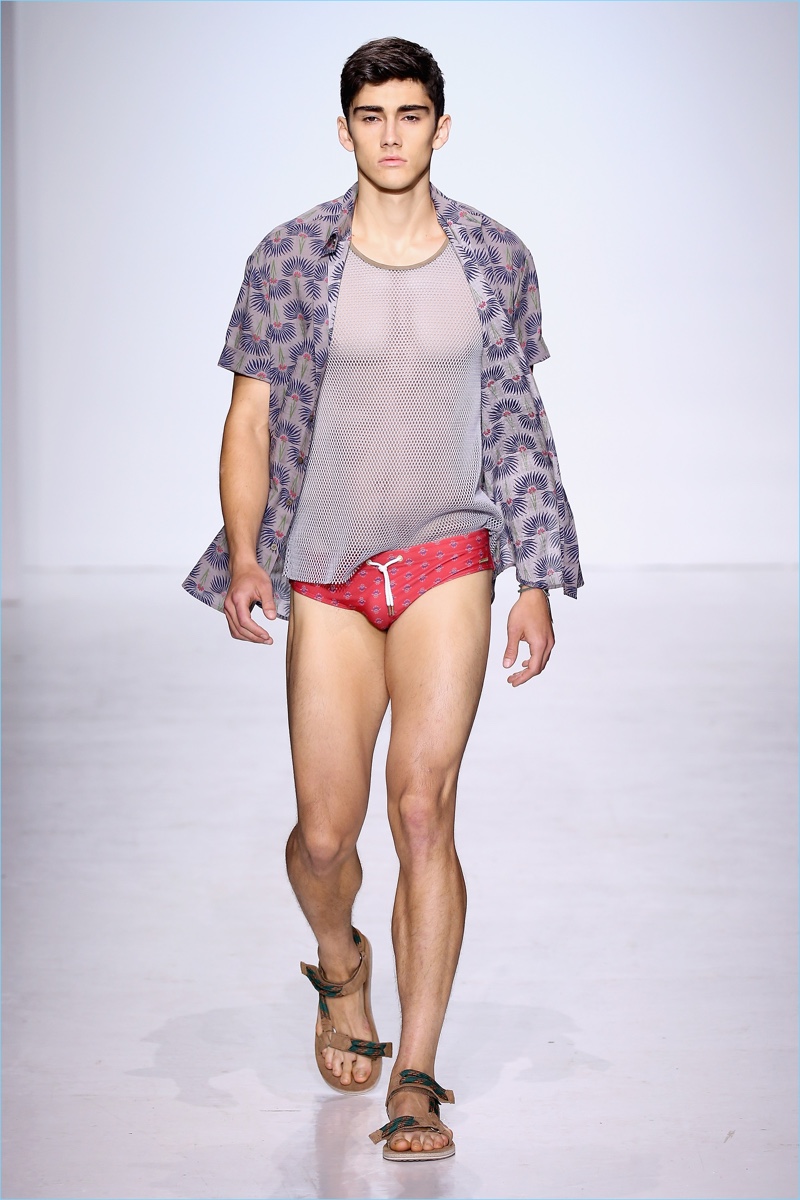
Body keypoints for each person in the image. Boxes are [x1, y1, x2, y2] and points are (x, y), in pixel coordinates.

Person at [183, 35, 582, 1162]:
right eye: (372, 115)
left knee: (421, 809)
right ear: (345, 128)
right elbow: (250, 420)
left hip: (449, 553)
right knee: (323, 836)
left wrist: (536, 577)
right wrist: (248, 554)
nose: (392, 134)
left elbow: (516, 424)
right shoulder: (288, 258)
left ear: (440, 127)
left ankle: (416, 1076)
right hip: (326, 565)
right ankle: (340, 963)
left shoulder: (495, 257)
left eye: (411, 114)